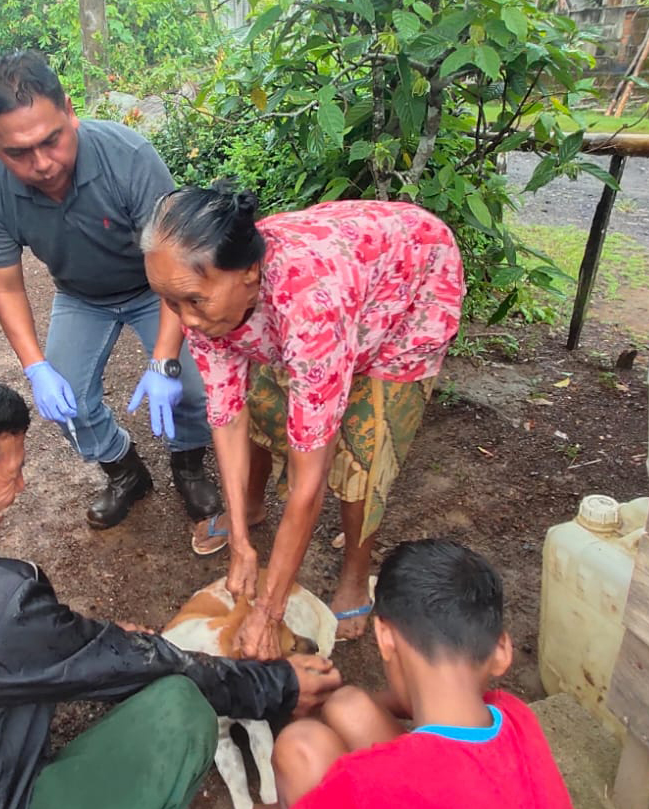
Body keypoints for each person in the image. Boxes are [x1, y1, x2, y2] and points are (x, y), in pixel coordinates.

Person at [0, 368, 344, 809]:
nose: (21, 486)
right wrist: (276, 684)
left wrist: (86, 643)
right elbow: (138, 664)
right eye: (10, 474)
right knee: (180, 705)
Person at [140, 182, 464, 649]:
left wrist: (269, 613)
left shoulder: (310, 308)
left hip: (410, 282)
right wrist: (239, 545)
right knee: (267, 408)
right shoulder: (209, 299)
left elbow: (308, 482)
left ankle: (355, 570)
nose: (184, 320)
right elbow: (228, 418)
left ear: (249, 272)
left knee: (363, 444)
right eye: (170, 302)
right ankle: (249, 513)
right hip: (347, 262)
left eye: (192, 301)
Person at [0, 50, 226, 549]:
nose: (43, 164)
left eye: (52, 140)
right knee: (65, 401)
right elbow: (6, 284)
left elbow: (178, 267)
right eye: (20, 152)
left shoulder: (128, 156)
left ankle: (189, 462)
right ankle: (125, 469)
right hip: (81, 296)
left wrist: (165, 362)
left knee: (192, 386)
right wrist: (35, 367)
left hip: (156, 290)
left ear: (69, 111)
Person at [271, 539, 573, 808]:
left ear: (385, 637)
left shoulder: (362, 783)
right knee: (347, 703)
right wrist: (334, 700)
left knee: (297, 747)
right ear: (502, 649)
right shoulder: (517, 716)